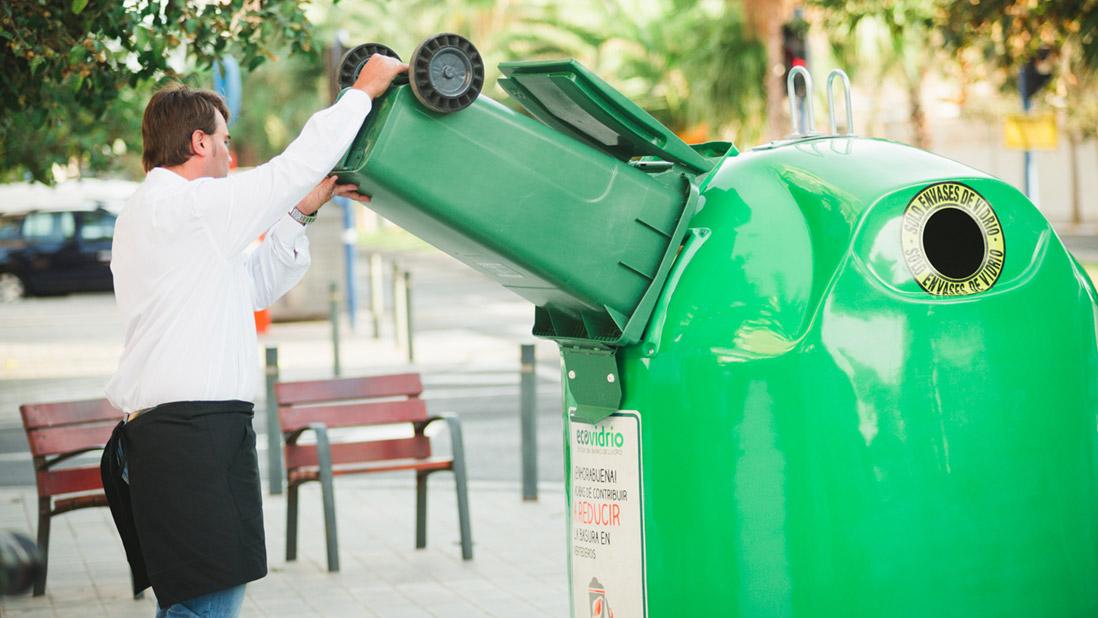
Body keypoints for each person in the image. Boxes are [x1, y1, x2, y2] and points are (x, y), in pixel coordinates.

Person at [99, 54, 407, 617]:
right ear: (198, 143)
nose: (229, 152)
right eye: (223, 140)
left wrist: (301, 212)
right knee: (206, 606)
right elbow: (292, 167)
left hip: (190, 434)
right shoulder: (188, 208)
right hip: (189, 436)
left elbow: (252, 287)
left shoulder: (165, 216)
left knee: (207, 601)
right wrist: (362, 92)